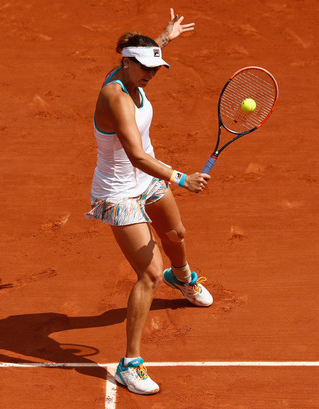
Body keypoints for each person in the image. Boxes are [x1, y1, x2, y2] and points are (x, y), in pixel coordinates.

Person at [85, 9, 213, 395]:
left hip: (148, 180)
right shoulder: (116, 96)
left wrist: (165, 36)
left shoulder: (129, 67)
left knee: (176, 233)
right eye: (144, 67)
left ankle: (184, 278)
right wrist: (181, 178)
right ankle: (130, 363)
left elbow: (146, 52)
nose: (150, 74)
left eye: (155, 68)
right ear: (125, 62)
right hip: (119, 191)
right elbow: (137, 155)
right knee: (150, 273)